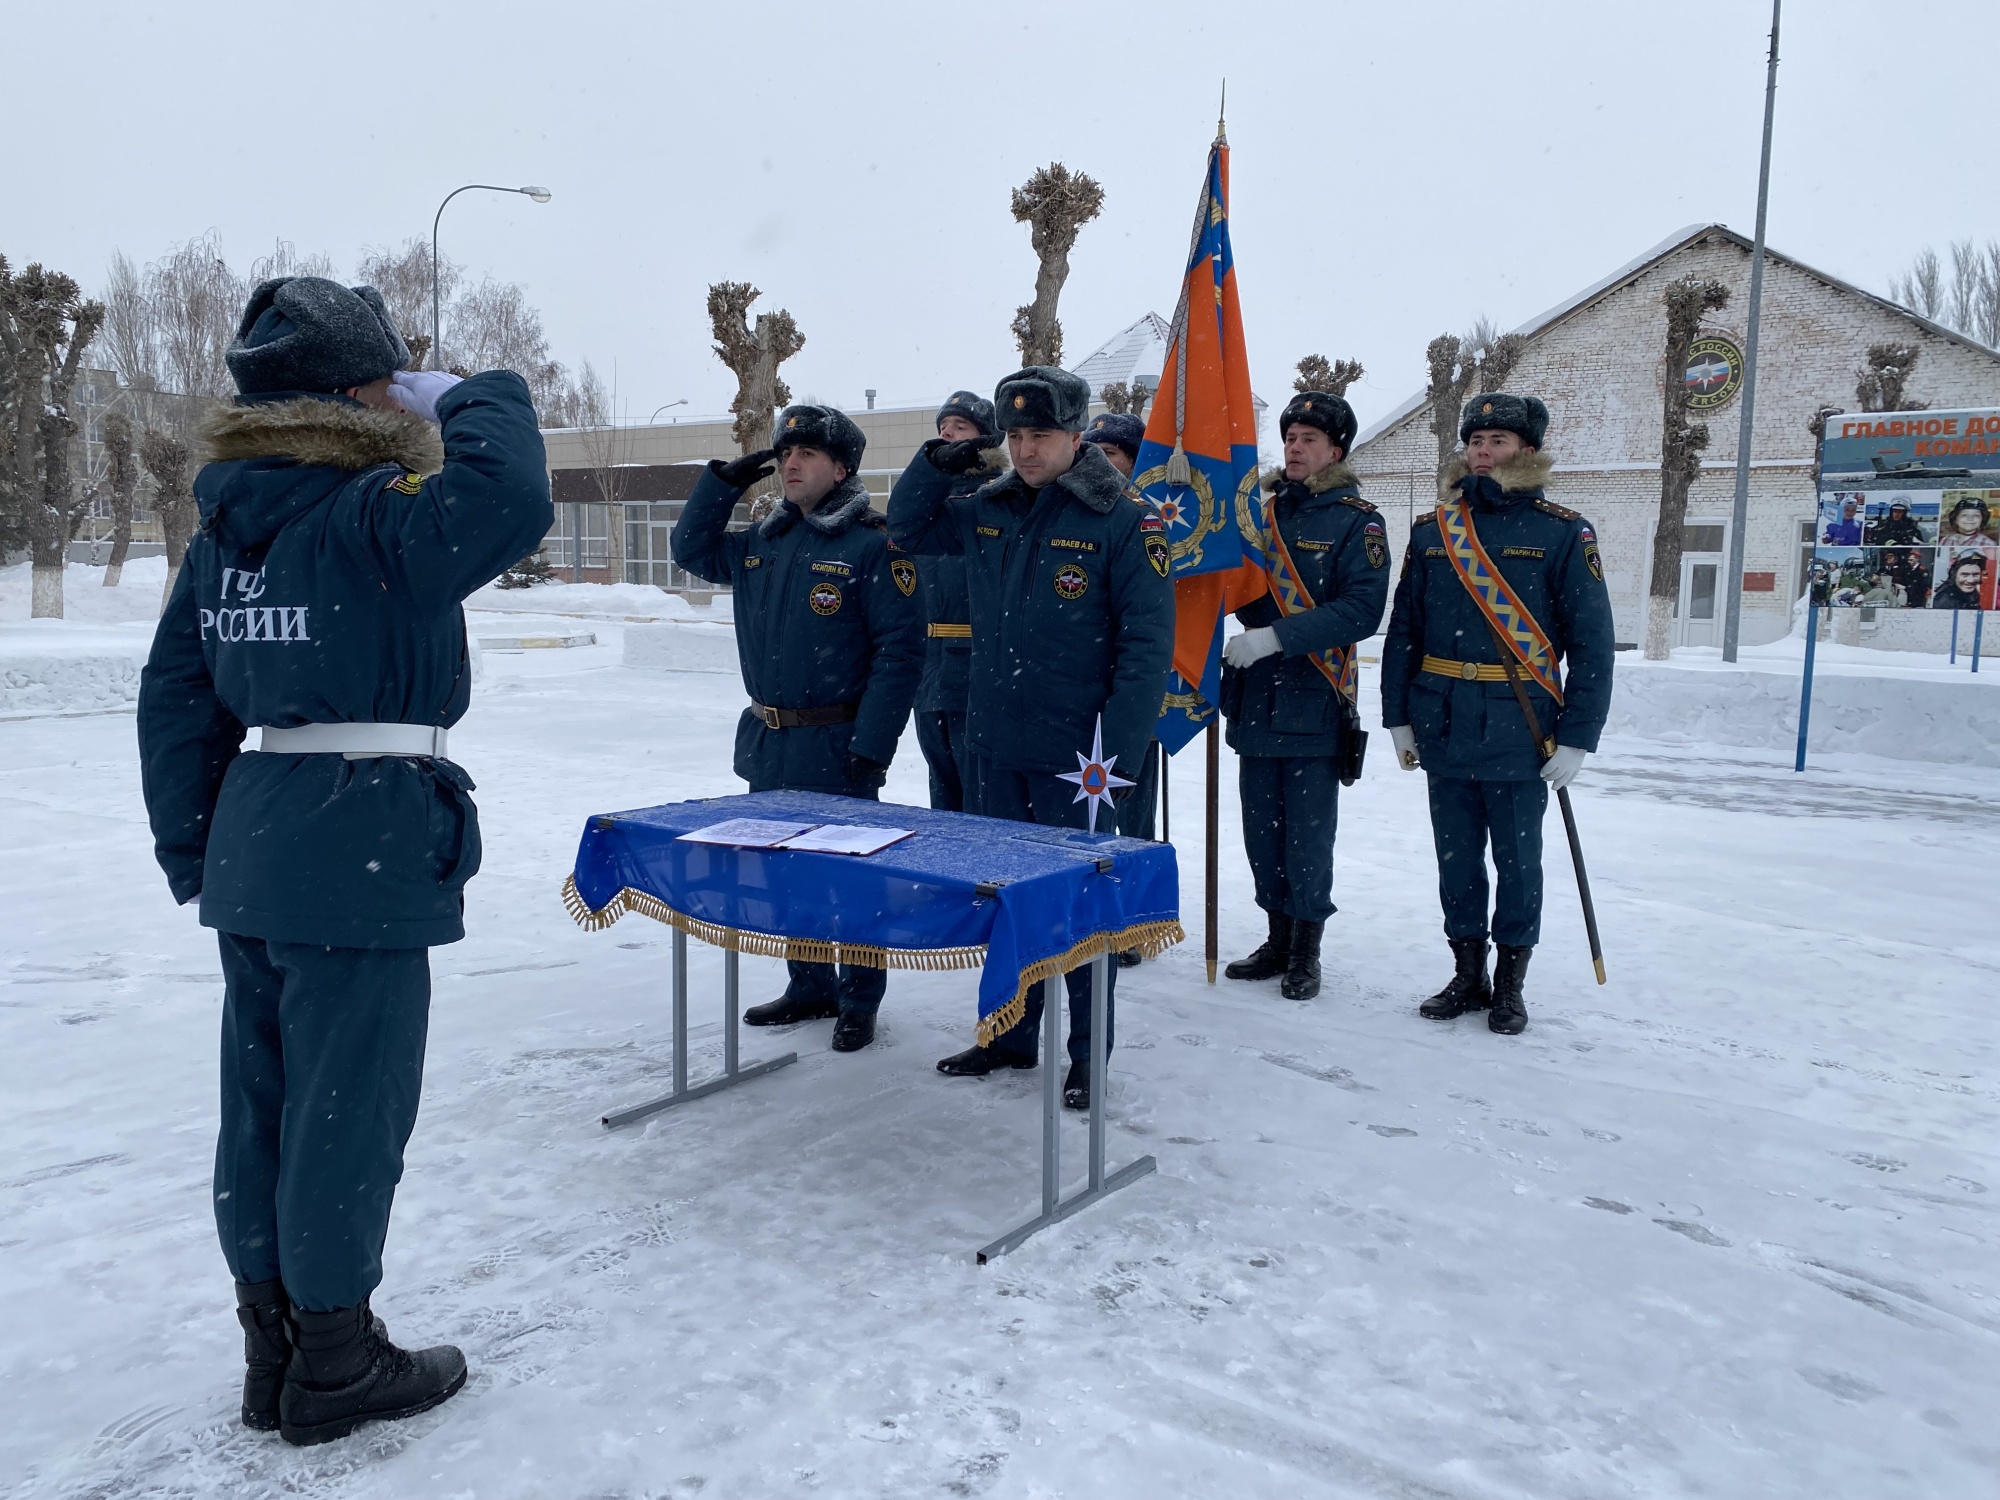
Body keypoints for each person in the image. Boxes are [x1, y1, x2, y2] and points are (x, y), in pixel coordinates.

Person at [136, 276, 553, 1445]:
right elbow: (510, 497)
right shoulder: (374, 512)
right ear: (360, 392)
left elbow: (175, 696)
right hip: (358, 830)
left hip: (258, 835)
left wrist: (198, 850)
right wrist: (482, 391)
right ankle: (335, 1360)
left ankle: (271, 1350)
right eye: (389, 374)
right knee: (344, 1110)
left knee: (260, 1105)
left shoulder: (227, 532)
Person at [889, 366, 1173, 1107]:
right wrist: (936, 460)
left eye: (1038, 434)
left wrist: (1118, 755)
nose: (1024, 449)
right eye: (1013, 435)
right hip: (997, 747)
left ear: (1076, 435)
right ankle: (1011, 1037)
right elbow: (907, 527)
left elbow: (1146, 649)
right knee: (1009, 904)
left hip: (1081, 761)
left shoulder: (1125, 521)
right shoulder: (989, 507)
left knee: (1082, 916)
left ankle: (1087, 1057)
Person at [672, 406, 923, 1052]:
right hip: (771, 741)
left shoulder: (872, 545)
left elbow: (900, 653)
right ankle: (810, 983)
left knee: (850, 879)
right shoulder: (764, 541)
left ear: (841, 469)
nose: (790, 464)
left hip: (837, 743)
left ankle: (859, 999)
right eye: (785, 454)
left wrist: (872, 747)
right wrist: (720, 486)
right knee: (788, 873)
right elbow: (691, 551)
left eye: (807, 454)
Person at [1381, 393, 1614, 1036]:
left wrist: (1578, 737)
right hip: (1443, 719)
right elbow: (1405, 631)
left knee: (1516, 861)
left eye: (1498, 442)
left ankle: (1510, 983)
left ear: (1527, 451)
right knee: (1455, 861)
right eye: (1475, 440)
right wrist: (1397, 716)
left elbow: (1591, 642)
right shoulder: (1433, 532)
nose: (1483, 452)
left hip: (1522, 723)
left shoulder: (1563, 531)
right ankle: (1467, 973)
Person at [1218, 392, 1389, 1000]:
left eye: (1310, 439)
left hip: (1315, 696)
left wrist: (1275, 637)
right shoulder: (1258, 515)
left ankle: (1307, 951)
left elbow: (1362, 609)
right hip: (1255, 697)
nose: (1295, 447)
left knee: (1307, 835)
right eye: (1290, 437)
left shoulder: (1357, 521)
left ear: (1335, 450)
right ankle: (1277, 937)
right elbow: (1232, 586)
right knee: (1261, 831)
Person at [912, 391, 1005, 810]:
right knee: (941, 787)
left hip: (976, 663)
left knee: (979, 794)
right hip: (929, 666)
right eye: (942, 427)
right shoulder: (925, 504)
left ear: (984, 439)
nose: (947, 433)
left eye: (960, 427)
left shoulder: (994, 499)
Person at [1081, 410, 1165, 861]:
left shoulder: (1142, 519)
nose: (1097, 462)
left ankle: (1134, 919)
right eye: (1091, 451)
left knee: (1133, 820)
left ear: (1135, 462)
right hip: (1078, 695)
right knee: (1084, 827)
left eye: (1109, 454)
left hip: (1129, 691)